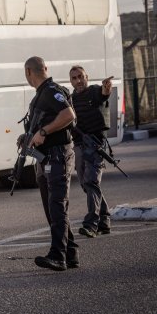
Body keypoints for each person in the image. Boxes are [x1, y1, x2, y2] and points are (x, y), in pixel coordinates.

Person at [21, 56, 78, 271]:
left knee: (57, 206)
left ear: (28, 72)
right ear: (44, 68)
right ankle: (70, 253)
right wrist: (28, 136)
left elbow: (69, 115)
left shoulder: (51, 91)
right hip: (45, 157)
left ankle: (58, 255)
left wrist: (43, 132)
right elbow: (44, 122)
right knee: (52, 206)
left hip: (58, 155)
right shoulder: (41, 94)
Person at [69, 65, 113, 238]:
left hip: (96, 145)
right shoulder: (71, 99)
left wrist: (106, 88)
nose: (78, 81)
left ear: (87, 77)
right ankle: (105, 220)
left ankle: (91, 224)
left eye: (81, 76)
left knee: (91, 182)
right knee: (86, 184)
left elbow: (103, 94)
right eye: (74, 78)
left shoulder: (94, 91)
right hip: (79, 146)